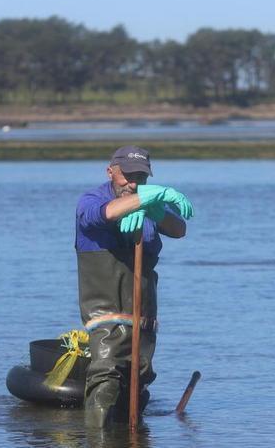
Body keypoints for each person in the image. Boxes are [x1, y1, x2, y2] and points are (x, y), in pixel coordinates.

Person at [75, 145, 193, 427]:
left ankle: (134, 436)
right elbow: (103, 214)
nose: (133, 183)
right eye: (126, 176)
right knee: (107, 374)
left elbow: (179, 229)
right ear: (110, 172)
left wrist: (156, 209)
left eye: (140, 177)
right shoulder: (91, 200)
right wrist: (143, 199)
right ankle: (99, 439)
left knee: (139, 378)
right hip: (107, 313)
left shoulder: (147, 201)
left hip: (143, 314)